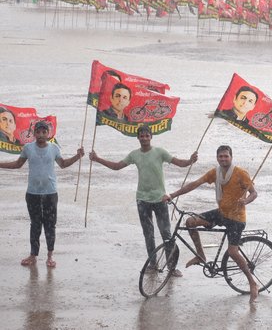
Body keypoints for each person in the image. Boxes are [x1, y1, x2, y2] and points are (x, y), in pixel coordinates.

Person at [89, 125, 197, 277]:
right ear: (138, 137)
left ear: (151, 137)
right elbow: (116, 167)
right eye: (142, 136)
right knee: (148, 234)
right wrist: (97, 158)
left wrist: (190, 161)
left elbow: (179, 163)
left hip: (160, 199)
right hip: (142, 200)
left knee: (166, 233)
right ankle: (153, 265)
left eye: (147, 135)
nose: (144, 138)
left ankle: (171, 268)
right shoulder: (134, 155)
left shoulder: (160, 152)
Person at [162, 145, 259, 302]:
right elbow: (195, 183)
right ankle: (200, 255)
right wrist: (172, 194)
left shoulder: (241, 173)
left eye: (226, 156)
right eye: (220, 156)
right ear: (217, 158)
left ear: (231, 157)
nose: (223, 159)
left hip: (236, 218)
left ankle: (252, 283)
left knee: (233, 252)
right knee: (190, 222)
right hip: (221, 213)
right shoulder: (216, 173)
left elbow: (254, 193)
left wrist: (245, 201)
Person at [0, 121, 84, 268]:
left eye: (44, 132)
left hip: (50, 193)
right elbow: (17, 164)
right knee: (35, 225)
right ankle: (33, 255)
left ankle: (50, 256)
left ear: (48, 134)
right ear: (34, 133)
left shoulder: (54, 148)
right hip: (32, 193)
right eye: (38, 132)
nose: (41, 135)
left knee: (50, 225)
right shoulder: (28, 148)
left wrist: (77, 156)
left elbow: (63, 164)